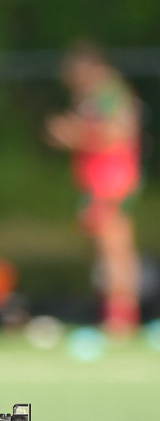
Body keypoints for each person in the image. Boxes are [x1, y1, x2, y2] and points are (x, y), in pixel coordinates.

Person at [46, 44, 143, 336]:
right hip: (95, 180)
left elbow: (118, 133)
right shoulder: (90, 97)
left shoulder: (110, 95)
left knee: (114, 247)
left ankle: (121, 317)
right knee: (105, 248)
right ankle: (115, 314)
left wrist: (72, 134)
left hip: (111, 178)